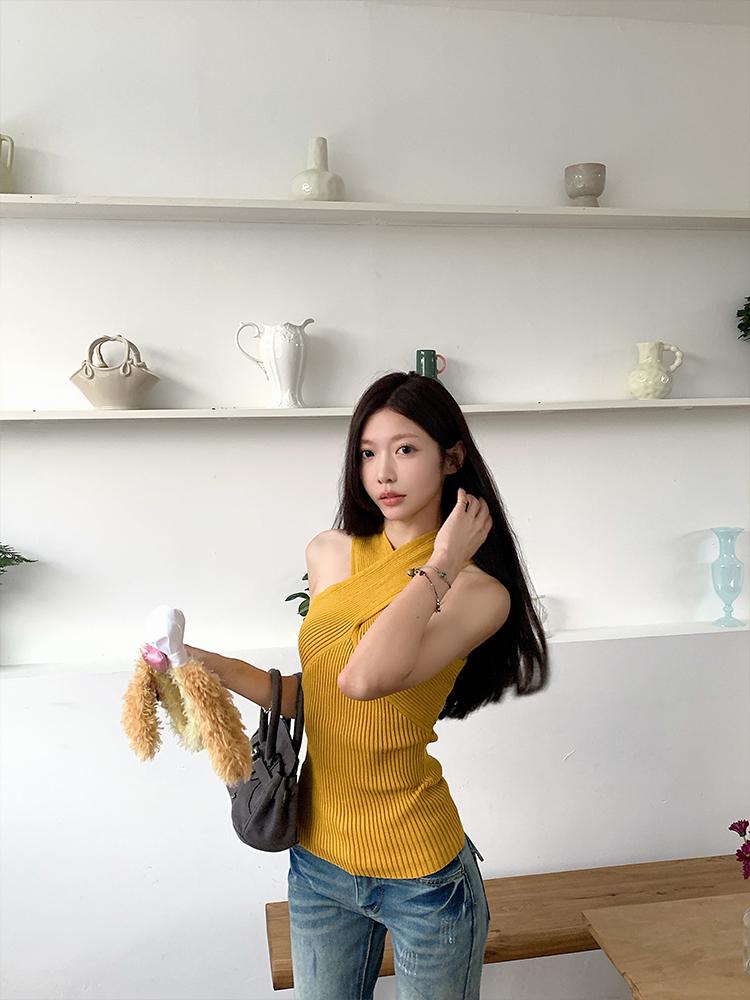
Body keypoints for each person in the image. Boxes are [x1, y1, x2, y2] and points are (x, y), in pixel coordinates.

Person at [187, 371, 550, 999]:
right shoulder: (330, 553)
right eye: (367, 452)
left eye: (406, 449)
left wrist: (440, 561)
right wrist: (198, 660)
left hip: (422, 877)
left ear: (452, 458)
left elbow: (363, 679)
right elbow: (319, 692)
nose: (383, 472)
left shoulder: (477, 592)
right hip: (318, 860)